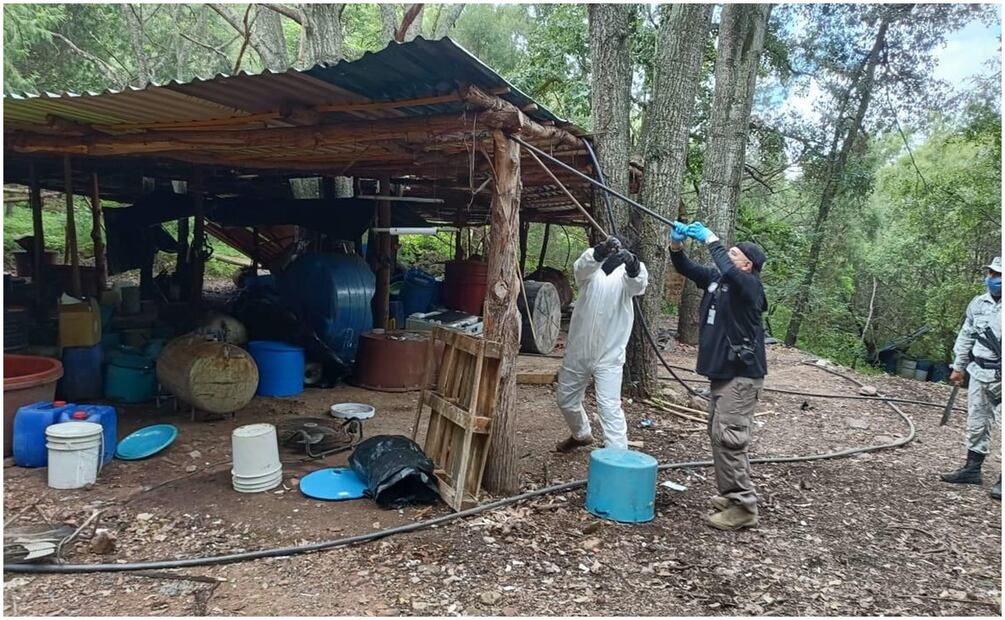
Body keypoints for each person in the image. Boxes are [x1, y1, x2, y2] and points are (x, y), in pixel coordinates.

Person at [669, 221, 768, 530]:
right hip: (723, 375)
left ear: (747, 264)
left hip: (741, 378)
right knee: (719, 436)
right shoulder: (718, 280)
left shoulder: (750, 286)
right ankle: (731, 496)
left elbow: (729, 271)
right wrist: (676, 245)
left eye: (733, 252)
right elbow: (685, 266)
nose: (727, 254)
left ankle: (744, 508)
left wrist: (711, 239)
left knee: (730, 440)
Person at [554, 235, 648, 452]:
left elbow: (639, 284)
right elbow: (580, 268)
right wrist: (600, 251)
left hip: (609, 353)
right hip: (579, 349)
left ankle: (618, 459)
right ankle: (581, 434)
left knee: (609, 408)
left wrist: (632, 265)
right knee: (566, 400)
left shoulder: (627, 276)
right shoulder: (591, 269)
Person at [941, 256, 1002, 501]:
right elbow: (966, 335)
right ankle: (972, 469)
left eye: (997, 275)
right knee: (977, 420)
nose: (992, 279)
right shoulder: (978, 303)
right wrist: (959, 366)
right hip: (979, 372)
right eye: (990, 274)